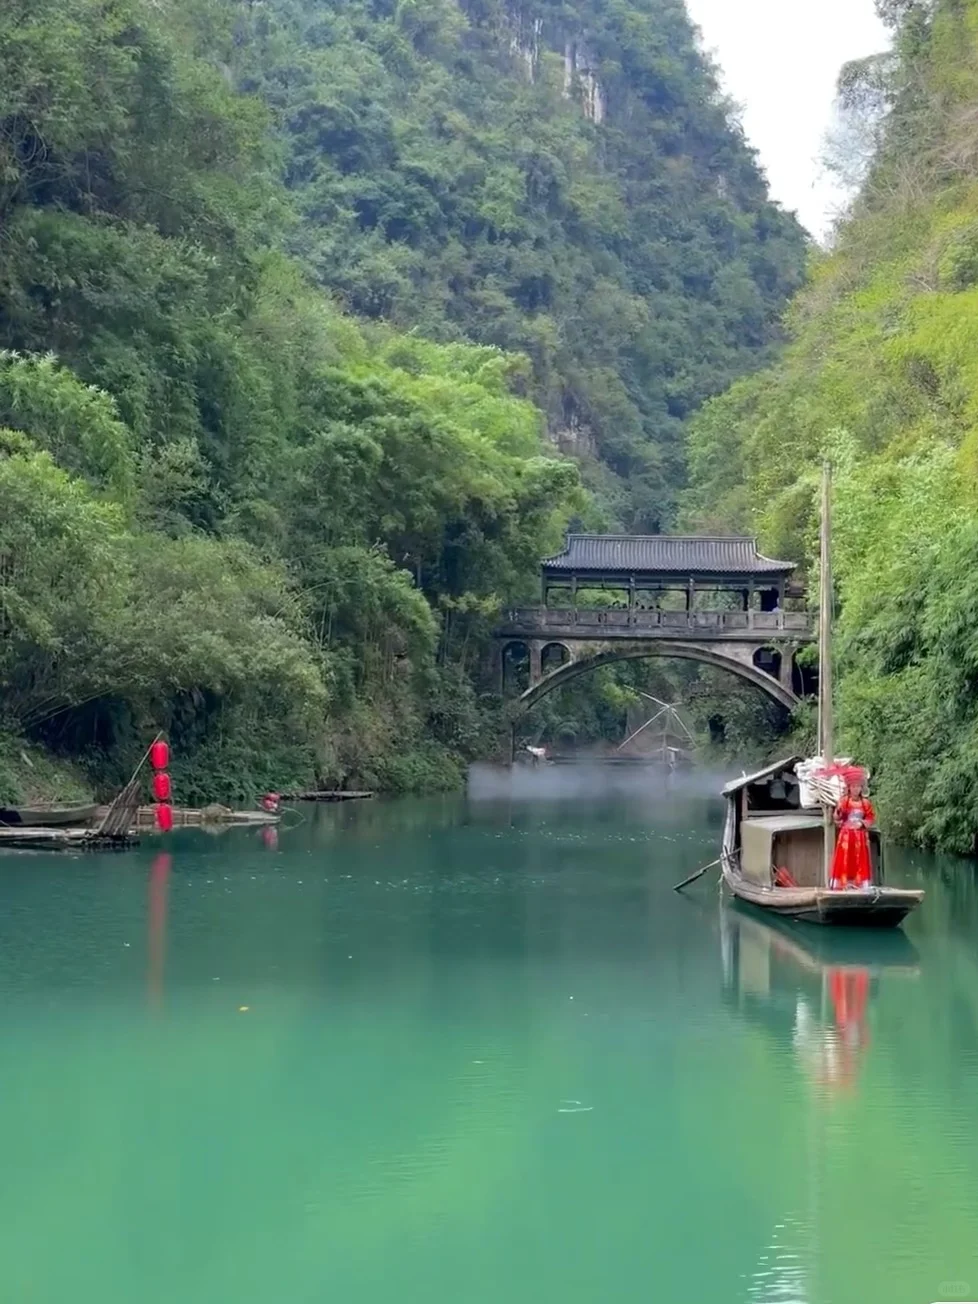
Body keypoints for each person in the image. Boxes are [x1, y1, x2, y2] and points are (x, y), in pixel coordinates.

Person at [830, 769, 875, 890]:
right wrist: (838, 811)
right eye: (853, 786)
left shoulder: (866, 803)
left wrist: (862, 823)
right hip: (846, 835)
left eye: (858, 786)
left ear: (861, 788)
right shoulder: (843, 801)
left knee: (860, 860)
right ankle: (843, 884)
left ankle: (860, 884)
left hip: (860, 836)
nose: (856, 789)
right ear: (849, 788)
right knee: (845, 859)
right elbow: (837, 818)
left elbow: (871, 818)